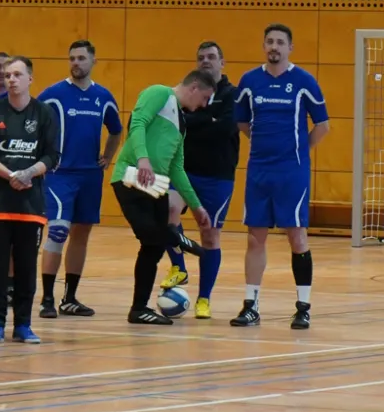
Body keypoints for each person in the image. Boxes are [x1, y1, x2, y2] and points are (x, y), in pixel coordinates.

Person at [232, 23, 329, 330]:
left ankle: (303, 308)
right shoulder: (249, 81)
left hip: (292, 172)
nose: (274, 47)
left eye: (280, 42)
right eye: (270, 41)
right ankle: (250, 306)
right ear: (264, 46)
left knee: (297, 237)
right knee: (255, 237)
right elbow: (242, 123)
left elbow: (322, 126)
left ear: (290, 48)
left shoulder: (304, 81)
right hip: (259, 171)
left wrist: (298, 151)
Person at [110, 73, 214, 325]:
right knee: (151, 233)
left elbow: (176, 168)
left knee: (153, 247)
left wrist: (196, 205)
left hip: (156, 186)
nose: (204, 105)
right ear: (194, 87)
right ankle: (177, 238)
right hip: (131, 177)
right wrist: (143, 158)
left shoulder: (182, 123)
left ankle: (139, 309)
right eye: (204, 98)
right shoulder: (159, 93)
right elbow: (137, 123)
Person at [0, 56, 57, 345]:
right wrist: (10, 174)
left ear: (30, 79)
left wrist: (29, 173)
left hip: (30, 206)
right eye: (8, 74)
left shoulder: (44, 113)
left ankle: (23, 324)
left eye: (17, 74)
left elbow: (52, 155)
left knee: (26, 266)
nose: (11, 79)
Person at [35, 40, 121, 319]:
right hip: (60, 175)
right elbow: (31, 123)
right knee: (58, 231)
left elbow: (116, 130)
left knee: (81, 234)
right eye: (72, 58)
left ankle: (69, 298)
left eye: (81, 58)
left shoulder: (103, 97)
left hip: (90, 176)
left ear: (93, 61)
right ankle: (47, 299)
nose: (76, 63)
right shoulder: (53, 94)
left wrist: (107, 157)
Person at [172, 39, 241, 320]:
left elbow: (225, 129)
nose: (205, 61)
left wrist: (199, 122)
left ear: (222, 63)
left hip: (218, 175)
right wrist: (207, 121)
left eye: (211, 57)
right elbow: (180, 123)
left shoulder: (233, 94)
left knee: (210, 235)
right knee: (166, 211)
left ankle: (204, 299)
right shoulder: (189, 89)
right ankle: (179, 268)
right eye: (201, 57)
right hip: (185, 170)